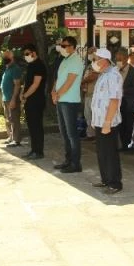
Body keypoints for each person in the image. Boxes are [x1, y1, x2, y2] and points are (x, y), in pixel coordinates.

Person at [89, 48, 124, 194]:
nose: (93, 62)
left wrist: (108, 122)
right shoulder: (103, 75)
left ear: (104, 60)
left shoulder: (113, 75)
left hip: (108, 122)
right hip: (100, 121)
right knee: (102, 152)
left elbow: (114, 100)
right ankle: (106, 179)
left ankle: (115, 183)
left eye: (95, 59)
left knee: (110, 153)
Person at [52, 36, 84, 172]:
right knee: (64, 133)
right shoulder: (65, 60)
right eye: (61, 46)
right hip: (61, 100)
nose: (62, 48)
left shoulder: (76, 60)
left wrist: (57, 94)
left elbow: (69, 82)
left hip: (70, 101)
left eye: (65, 46)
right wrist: (53, 91)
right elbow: (59, 79)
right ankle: (68, 160)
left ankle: (76, 164)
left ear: (73, 47)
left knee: (72, 134)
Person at [20, 43, 47, 160]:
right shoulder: (30, 65)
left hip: (37, 100)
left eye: (27, 53)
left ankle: (39, 151)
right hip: (29, 100)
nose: (25, 56)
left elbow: (35, 84)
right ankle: (33, 150)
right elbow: (27, 83)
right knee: (31, 126)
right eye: (24, 54)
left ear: (33, 53)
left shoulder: (39, 65)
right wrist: (22, 93)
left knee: (37, 126)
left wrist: (25, 95)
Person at [116, 47, 134, 152]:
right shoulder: (115, 71)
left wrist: (122, 90)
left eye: (120, 59)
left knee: (129, 125)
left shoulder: (133, 71)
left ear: (126, 58)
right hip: (119, 103)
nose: (118, 61)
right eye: (117, 59)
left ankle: (131, 146)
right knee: (121, 125)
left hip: (129, 103)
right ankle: (124, 145)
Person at [0, 48, 23, 148]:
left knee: (14, 119)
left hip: (12, 98)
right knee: (8, 119)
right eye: (3, 57)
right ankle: (10, 137)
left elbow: (17, 85)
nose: (4, 58)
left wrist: (14, 99)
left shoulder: (15, 69)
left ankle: (16, 140)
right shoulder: (7, 68)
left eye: (6, 57)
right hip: (6, 98)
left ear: (11, 57)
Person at [82, 47, 99, 140]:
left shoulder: (99, 65)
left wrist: (82, 81)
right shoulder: (90, 65)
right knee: (88, 115)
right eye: (88, 53)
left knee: (95, 115)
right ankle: (90, 135)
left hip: (95, 94)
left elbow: (93, 77)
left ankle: (97, 136)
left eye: (91, 52)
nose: (89, 55)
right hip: (87, 93)